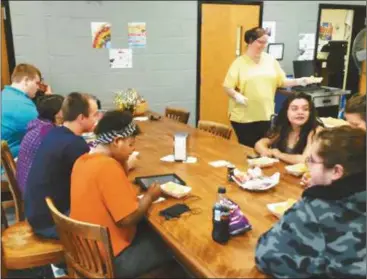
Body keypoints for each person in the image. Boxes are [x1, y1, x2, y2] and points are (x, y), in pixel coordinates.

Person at [70, 110, 172, 278]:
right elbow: (128, 219)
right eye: (131, 144)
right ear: (117, 141)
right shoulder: (107, 167)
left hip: (86, 251)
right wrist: (150, 196)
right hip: (111, 260)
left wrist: (123, 159)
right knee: (172, 246)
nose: (134, 150)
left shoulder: (82, 161)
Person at [255, 126, 366, 278]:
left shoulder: (314, 208)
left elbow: (266, 254)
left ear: (336, 172)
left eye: (312, 161)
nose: (308, 167)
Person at [223, 27, 320, 148]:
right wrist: (237, 96)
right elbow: (227, 86)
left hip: (265, 113)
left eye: (266, 42)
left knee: (262, 147)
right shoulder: (239, 63)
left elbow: (281, 81)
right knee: (248, 148)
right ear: (250, 41)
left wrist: (300, 81)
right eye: (260, 42)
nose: (263, 45)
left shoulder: (270, 60)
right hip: (244, 116)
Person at [24, 92, 99, 239]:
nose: (97, 118)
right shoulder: (74, 144)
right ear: (81, 118)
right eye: (95, 114)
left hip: (37, 214)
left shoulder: (55, 133)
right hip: (53, 222)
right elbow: (94, 181)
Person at [16, 94, 65, 196]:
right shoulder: (47, 132)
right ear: (58, 114)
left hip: (26, 183)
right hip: (36, 193)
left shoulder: (38, 124)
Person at [254, 92, 322, 164]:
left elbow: (305, 160)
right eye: (294, 109)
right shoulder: (284, 127)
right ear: (286, 112)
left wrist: (279, 154)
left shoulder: (316, 131)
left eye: (305, 109)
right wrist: (266, 151)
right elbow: (260, 143)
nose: (300, 112)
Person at [1, 63, 41, 157]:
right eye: (37, 83)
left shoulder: (4, 95)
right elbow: (45, 136)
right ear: (26, 80)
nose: (38, 87)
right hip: (9, 167)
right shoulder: (23, 105)